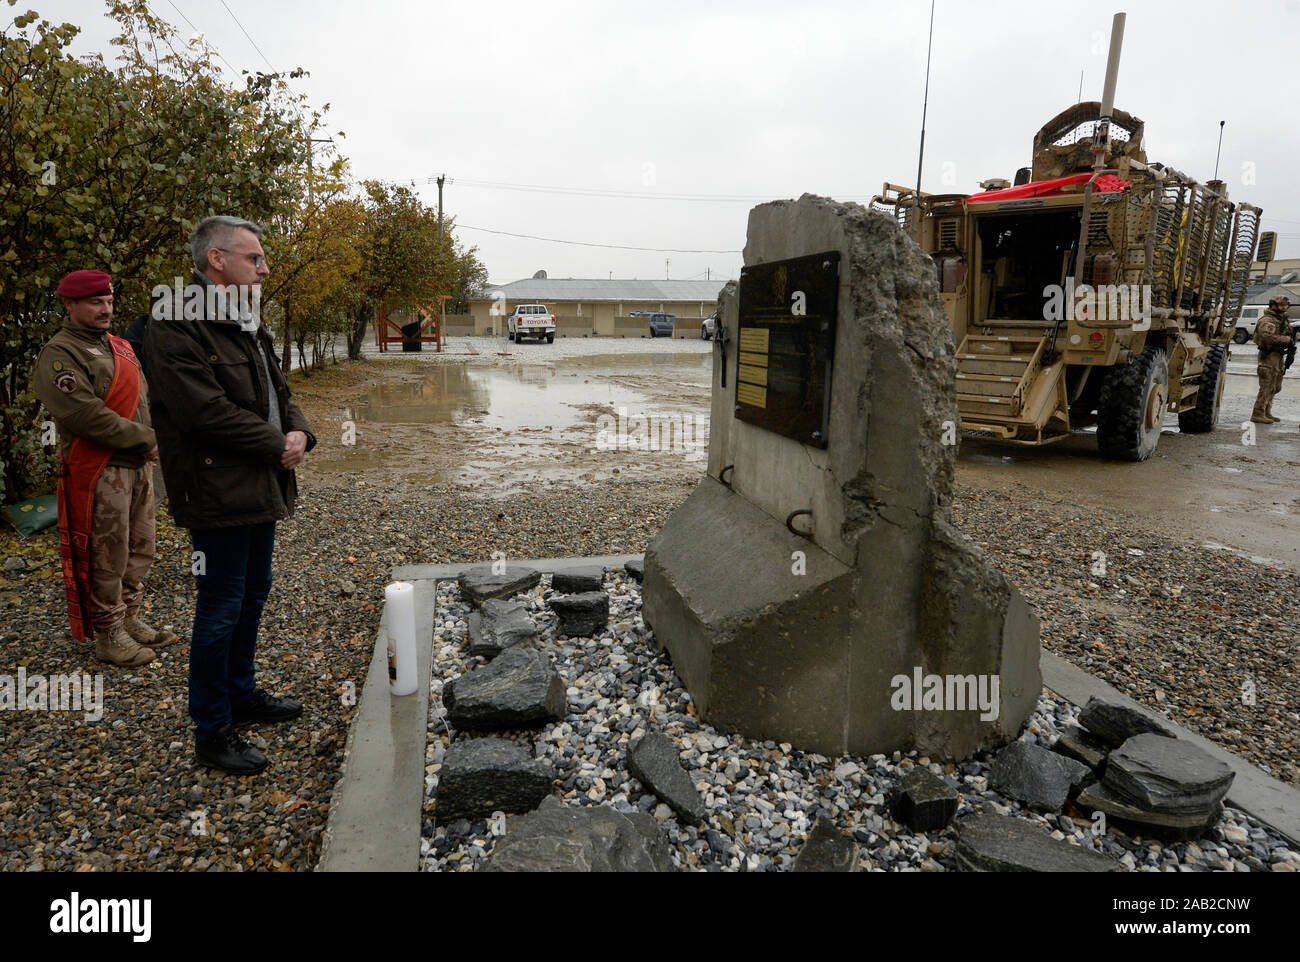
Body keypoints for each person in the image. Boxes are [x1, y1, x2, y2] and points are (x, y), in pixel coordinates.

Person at [145, 215, 316, 776]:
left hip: (261, 481)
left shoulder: (246, 320)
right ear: (217, 260)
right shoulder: (174, 324)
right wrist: (275, 444)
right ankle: (212, 728)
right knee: (220, 605)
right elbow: (203, 411)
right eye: (255, 259)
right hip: (216, 487)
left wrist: (299, 433)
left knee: (253, 593)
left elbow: (279, 389)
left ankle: (241, 693)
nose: (265, 269)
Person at [34, 269, 179, 666]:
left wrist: (154, 438)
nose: (106, 309)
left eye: (109, 301)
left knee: (140, 547)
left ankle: (130, 616)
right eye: (96, 302)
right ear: (70, 305)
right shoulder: (60, 353)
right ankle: (109, 632)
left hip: (137, 465)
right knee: (107, 553)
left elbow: (143, 401)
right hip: (100, 468)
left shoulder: (120, 346)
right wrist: (147, 440)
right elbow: (86, 415)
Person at [1250, 295, 1293, 425]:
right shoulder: (1268, 320)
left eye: (1286, 305)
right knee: (1266, 385)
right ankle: (1257, 413)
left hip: (1278, 356)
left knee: (1275, 386)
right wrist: (1286, 340)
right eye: (1281, 305)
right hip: (1268, 355)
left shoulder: (1281, 320)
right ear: (1273, 305)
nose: (1284, 307)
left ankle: (1266, 411)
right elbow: (1267, 337)